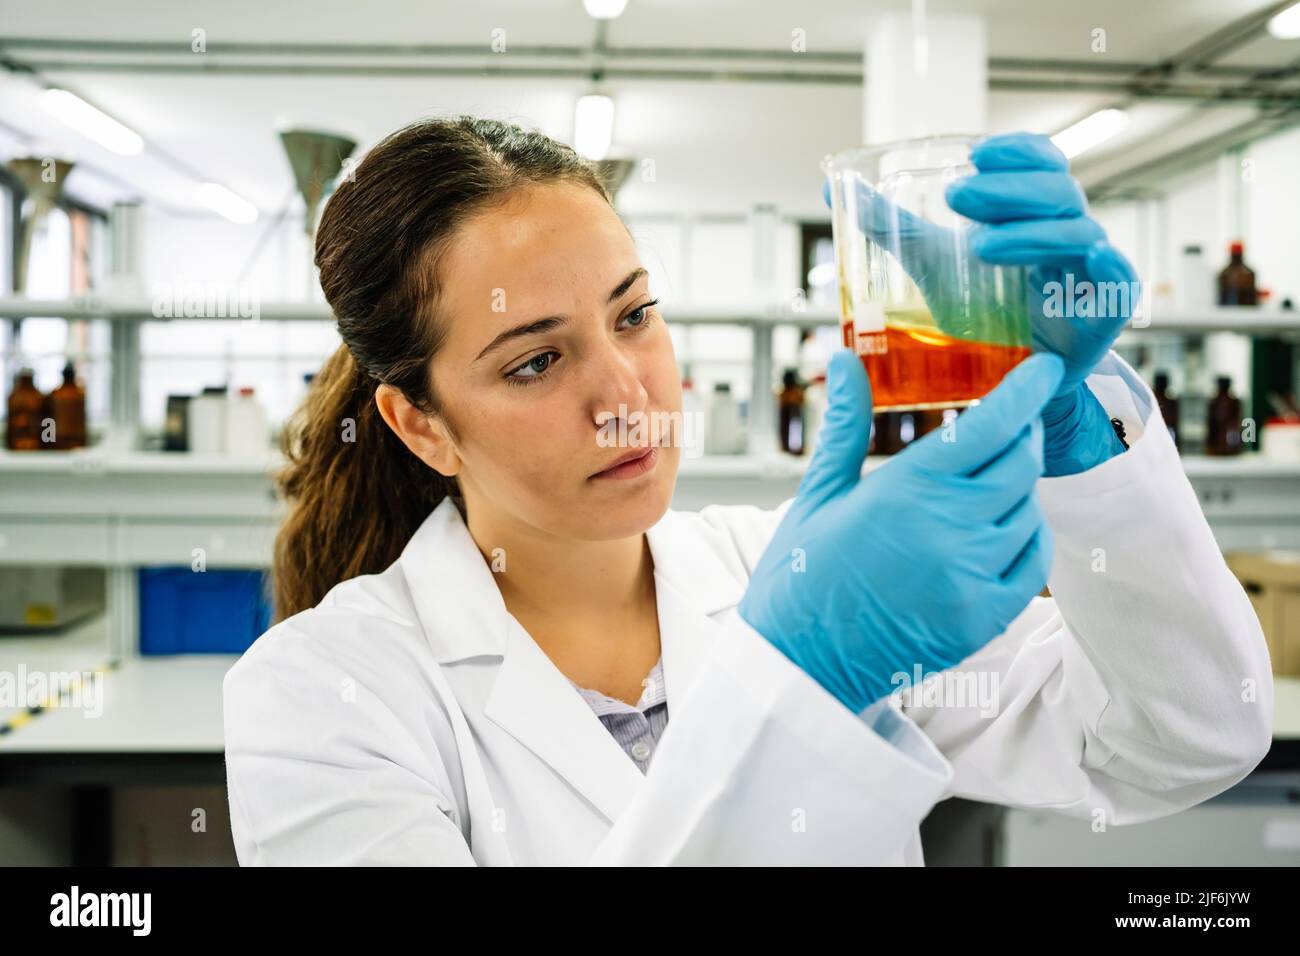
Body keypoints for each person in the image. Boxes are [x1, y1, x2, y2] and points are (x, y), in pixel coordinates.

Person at [222, 117, 1272, 865]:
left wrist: (1079, 436)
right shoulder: (323, 694)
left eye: (634, 314)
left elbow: (1180, 737)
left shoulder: (797, 571)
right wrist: (800, 678)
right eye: (535, 361)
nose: (626, 392)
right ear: (421, 424)